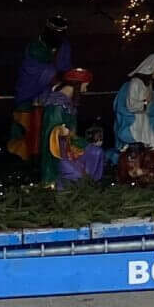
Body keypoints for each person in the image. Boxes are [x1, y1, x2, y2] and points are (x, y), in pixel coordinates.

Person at [6, 13, 71, 164]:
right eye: (56, 32)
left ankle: (55, 158)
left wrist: (66, 78)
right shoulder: (35, 47)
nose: (59, 36)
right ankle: (27, 159)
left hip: (54, 97)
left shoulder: (64, 46)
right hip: (31, 91)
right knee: (29, 128)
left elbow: (65, 68)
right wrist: (52, 75)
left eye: (62, 33)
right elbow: (33, 70)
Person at [39, 68, 92, 187]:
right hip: (59, 149)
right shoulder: (57, 103)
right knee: (91, 156)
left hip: (69, 144)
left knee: (94, 152)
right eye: (85, 86)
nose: (85, 90)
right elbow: (54, 130)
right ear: (77, 85)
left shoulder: (67, 102)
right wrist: (64, 132)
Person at [114, 54, 154, 152]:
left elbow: (152, 106)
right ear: (151, 67)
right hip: (135, 124)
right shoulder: (135, 83)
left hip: (146, 123)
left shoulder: (151, 86)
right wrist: (145, 103)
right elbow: (131, 105)